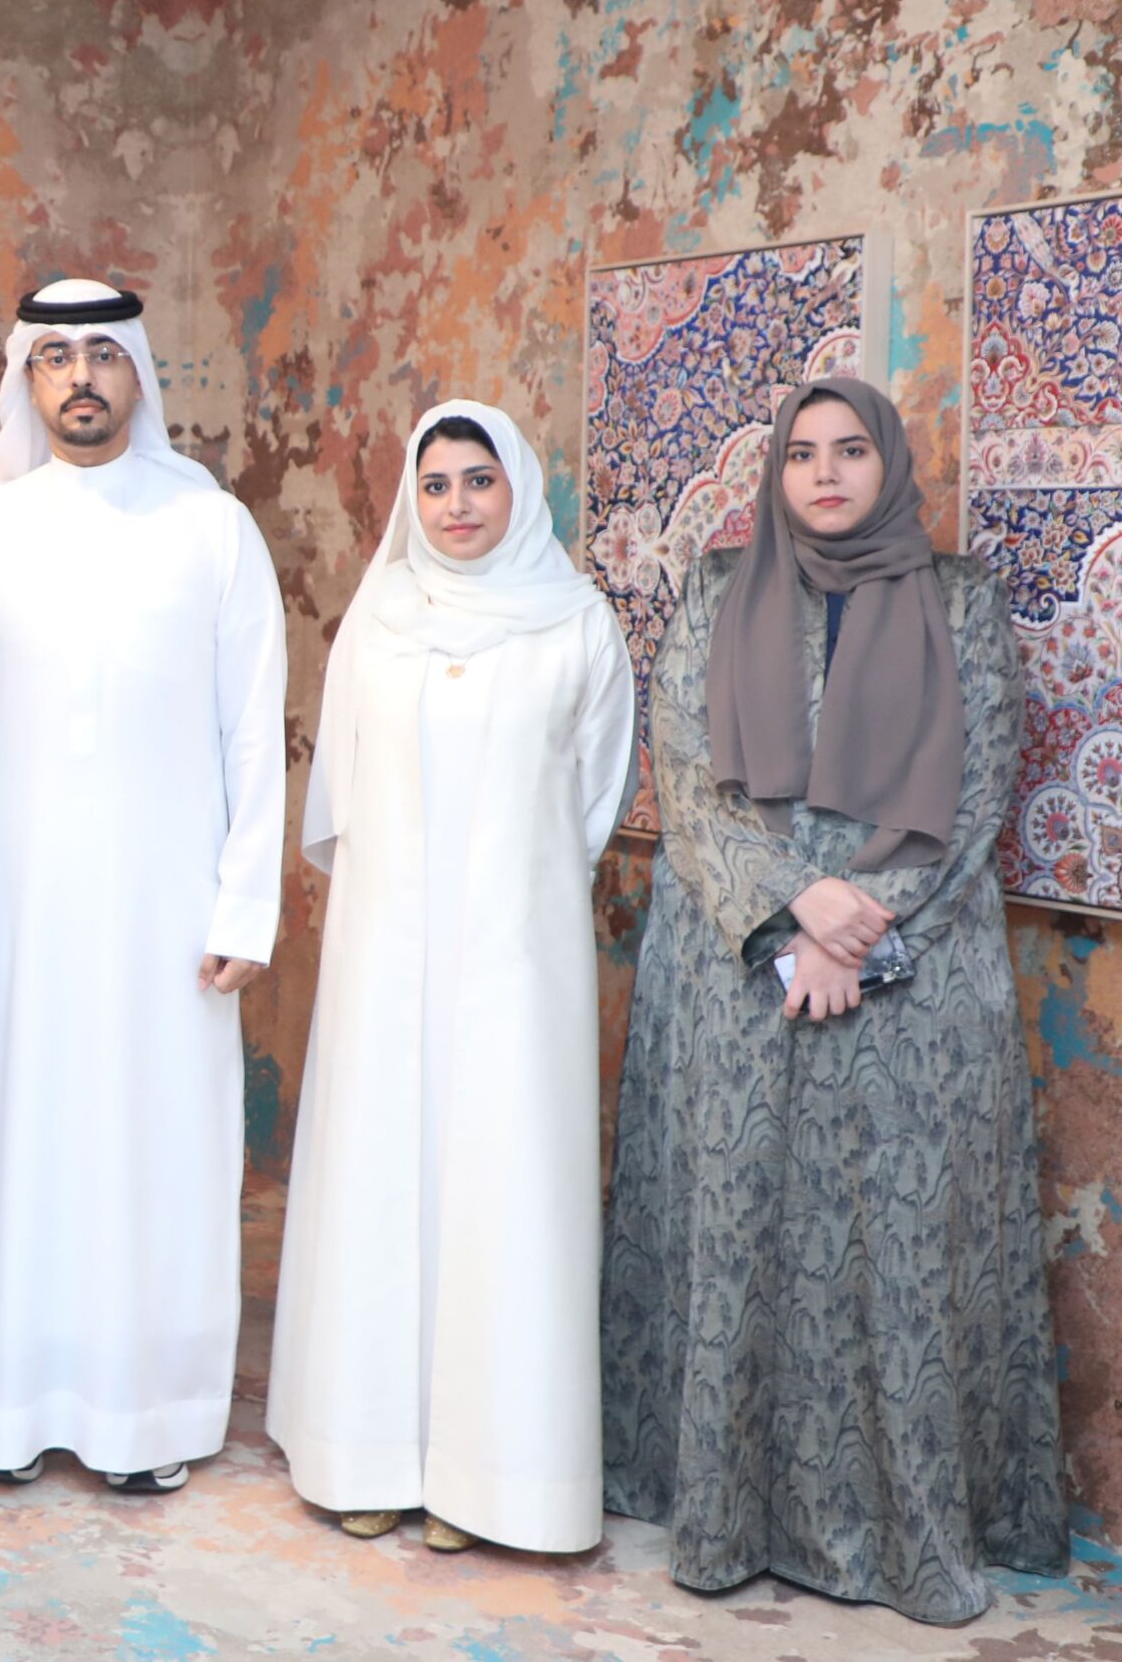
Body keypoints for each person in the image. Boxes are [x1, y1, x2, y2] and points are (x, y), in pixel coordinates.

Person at [600, 375, 1065, 1622]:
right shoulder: (717, 591)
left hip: (909, 979)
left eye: (850, 449)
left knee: (894, 1248)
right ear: (776, 471)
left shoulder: (960, 602)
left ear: (886, 464)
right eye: (802, 452)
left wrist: (856, 929)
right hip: (737, 961)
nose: (823, 473)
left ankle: (901, 1533)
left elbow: (975, 792)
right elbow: (685, 778)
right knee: (741, 1230)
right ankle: (724, 1516)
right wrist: (794, 907)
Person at [0, 278, 286, 1495]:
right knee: (17, 1154)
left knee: (157, 1152)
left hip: (166, 915)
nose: (79, 377)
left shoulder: (213, 528)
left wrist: (243, 905)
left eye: (102, 354)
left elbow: (252, 734)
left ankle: (150, 1422)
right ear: (26, 379)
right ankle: (11, 1412)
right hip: (13, 912)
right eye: (54, 356)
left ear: (136, 372)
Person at [266, 399, 632, 1554]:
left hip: (517, 959)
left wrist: (506, 891)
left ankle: (490, 1480)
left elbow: (594, 800)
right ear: (410, 501)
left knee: (502, 1191)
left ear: (518, 489)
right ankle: (365, 1454)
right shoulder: (378, 620)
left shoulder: (577, 626)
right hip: (385, 952)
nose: (457, 505)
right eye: (434, 485)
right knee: (378, 1181)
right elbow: (340, 792)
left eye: (479, 480)